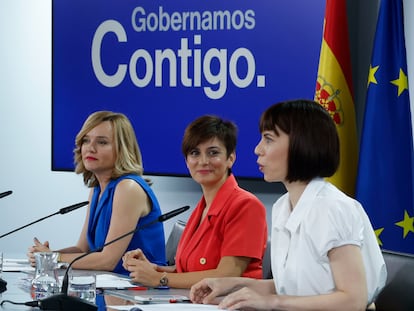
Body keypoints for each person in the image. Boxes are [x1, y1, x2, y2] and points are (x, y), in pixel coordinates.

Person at [190, 99, 387, 310]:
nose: (258, 149)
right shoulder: (283, 206)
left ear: (301, 143)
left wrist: (272, 302)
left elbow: (352, 300)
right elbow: (298, 288)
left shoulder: (332, 208)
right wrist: (234, 285)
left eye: (268, 139)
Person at [122, 115, 268, 288]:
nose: (203, 161)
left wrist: (159, 279)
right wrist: (153, 270)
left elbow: (227, 275)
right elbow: (188, 271)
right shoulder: (202, 207)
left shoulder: (246, 205)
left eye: (213, 153)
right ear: (186, 161)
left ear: (231, 158)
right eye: (194, 153)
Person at [27, 111, 166, 275]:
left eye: (102, 142)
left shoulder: (128, 188)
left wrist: (55, 257)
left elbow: (108, 260)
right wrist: (45, 255)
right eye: (86, 141)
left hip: (143, 291)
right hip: (112, 286)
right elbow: (82, 248)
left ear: (122, 149)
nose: (90, 148)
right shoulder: (98, 188)